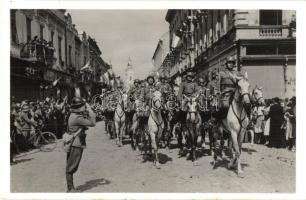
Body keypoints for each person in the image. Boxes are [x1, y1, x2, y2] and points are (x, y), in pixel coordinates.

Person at [66, 97, 96, 192]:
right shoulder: (77, 118)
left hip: (73, 142)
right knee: (71, 166)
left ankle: (70, 187)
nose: (85, 108)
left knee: (70, 164)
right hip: (76, 143)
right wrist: (90, 109)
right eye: (83, 106)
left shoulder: (73, 114)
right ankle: (70, 188)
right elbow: (93, 122)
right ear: (79, 107)